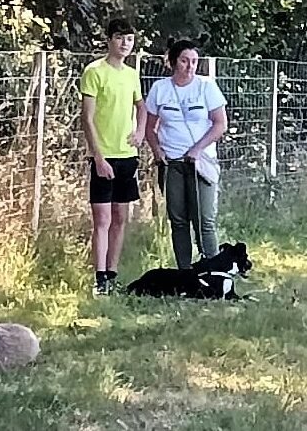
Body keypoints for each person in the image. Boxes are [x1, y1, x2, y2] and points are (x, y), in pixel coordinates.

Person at [145, 38, 228, 268]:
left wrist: (198, 148)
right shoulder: (160, 89)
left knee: (204, 218)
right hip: (172, 162)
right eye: (184, 61)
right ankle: (184, 271)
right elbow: (149, 127)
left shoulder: (206, 86)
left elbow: (220, 123)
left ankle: (214, 269)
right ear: (173, 62)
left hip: (200, 162)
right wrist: (156, 150)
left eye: (194, 61)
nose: (190, 66)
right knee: (178, 219)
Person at [80, 18, 147, 295]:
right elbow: (87, 117)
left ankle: (112, 273)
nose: (124, 44)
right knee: (103, 220)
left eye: (129, 39)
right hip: (103, 155)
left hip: (127, 155)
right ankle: (99, 279)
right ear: (110, 39)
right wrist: (98, 156)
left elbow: (142, 106)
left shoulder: (132, 74)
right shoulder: (94, 71)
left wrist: (140, 132)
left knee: (121, 217)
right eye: (120, 38)